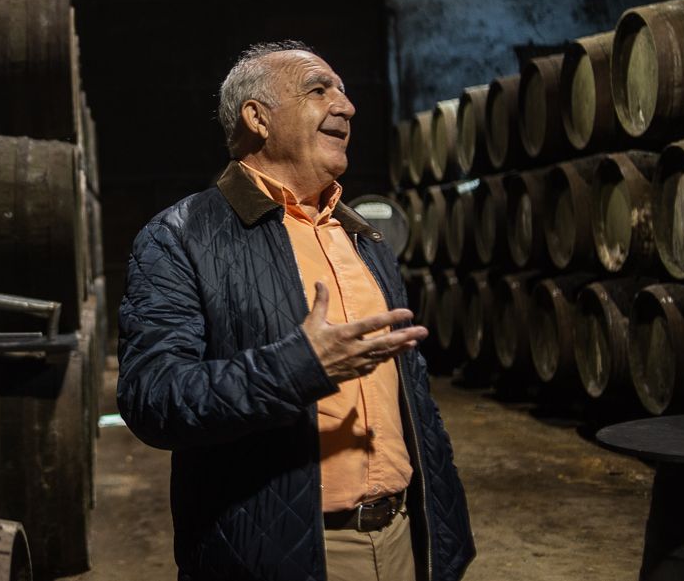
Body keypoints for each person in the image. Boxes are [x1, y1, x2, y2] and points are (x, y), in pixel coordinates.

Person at [117, 41, 474, 581]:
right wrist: (296, 367)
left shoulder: (361, 238)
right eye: (319, 89)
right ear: (257, 118)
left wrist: (444, 533)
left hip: (401, 539)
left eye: (346, 91)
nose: (347, 105)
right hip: (281, 553)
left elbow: (414, 395)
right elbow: (153, 397)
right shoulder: (180, 237)